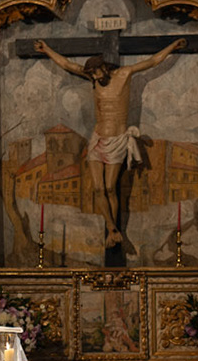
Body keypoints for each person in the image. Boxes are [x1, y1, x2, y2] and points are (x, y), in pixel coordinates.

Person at [36, 38, 183, 248]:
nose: (94, 77)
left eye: (96, 72)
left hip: (117, 140)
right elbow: (67, 64)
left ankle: (114, 230)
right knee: (97, 189)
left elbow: (152, 61)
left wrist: (172, 47)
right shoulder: (93, 78)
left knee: (109, 188)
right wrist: (46, 49)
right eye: (92, 74)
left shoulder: (124, 74)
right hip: (97, 139)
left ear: (104, 68)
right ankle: (112, 230)